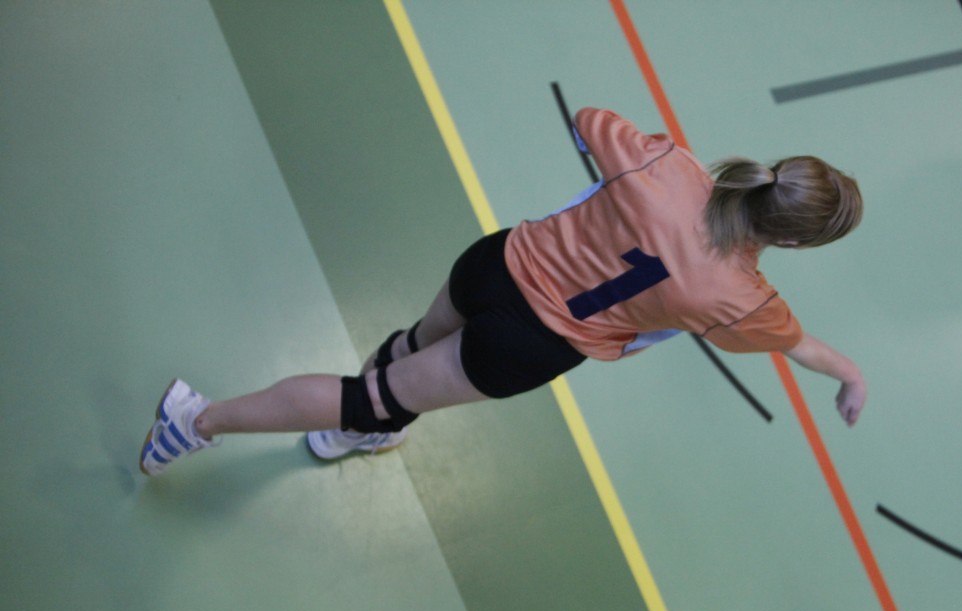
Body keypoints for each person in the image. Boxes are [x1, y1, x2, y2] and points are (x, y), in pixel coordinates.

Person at [140, 108, 865, 477]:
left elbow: (590, 123)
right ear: (793, 242)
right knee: (369, 396)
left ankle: (367, 429)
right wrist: (852, 375)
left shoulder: (668, 164)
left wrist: (649, 176)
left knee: (409, 348)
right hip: (526, 344)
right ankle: (198, 422)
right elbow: (801, 346)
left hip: (493, 265)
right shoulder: (743, 299)